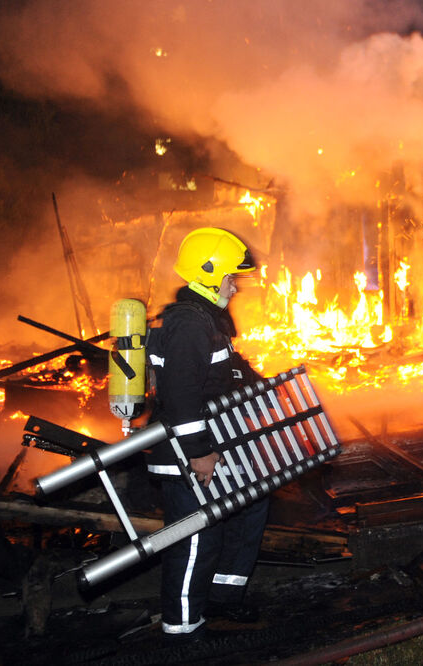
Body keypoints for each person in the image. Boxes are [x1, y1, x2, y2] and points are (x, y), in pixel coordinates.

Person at [146, 227, 268, 641]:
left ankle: (223, 599)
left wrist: (268, 391)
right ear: (211, 275)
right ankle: (182, 630)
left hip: (213, 446)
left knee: (251, 503)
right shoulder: (188, 325)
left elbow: (227, 374)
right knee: (197, 537)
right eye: (232, 277)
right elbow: (180, 395)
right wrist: (199, 451)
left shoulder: (206, 321)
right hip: (186, 453)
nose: (236, 287)